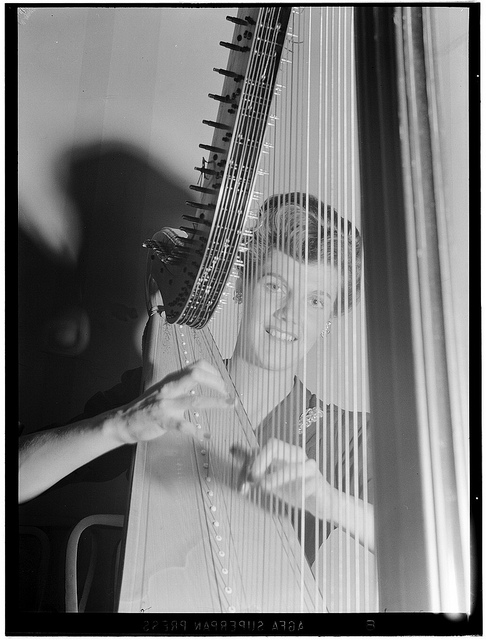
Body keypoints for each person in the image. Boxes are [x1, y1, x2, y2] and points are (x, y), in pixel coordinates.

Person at [19, 191, 373, 563]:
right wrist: (119, 426)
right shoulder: (164, 390)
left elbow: (427, 539)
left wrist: (332, 502)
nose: (290, 314)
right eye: (275, 285)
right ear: (240, 288)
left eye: (315, 300)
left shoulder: (347, 435)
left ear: (329, 321)